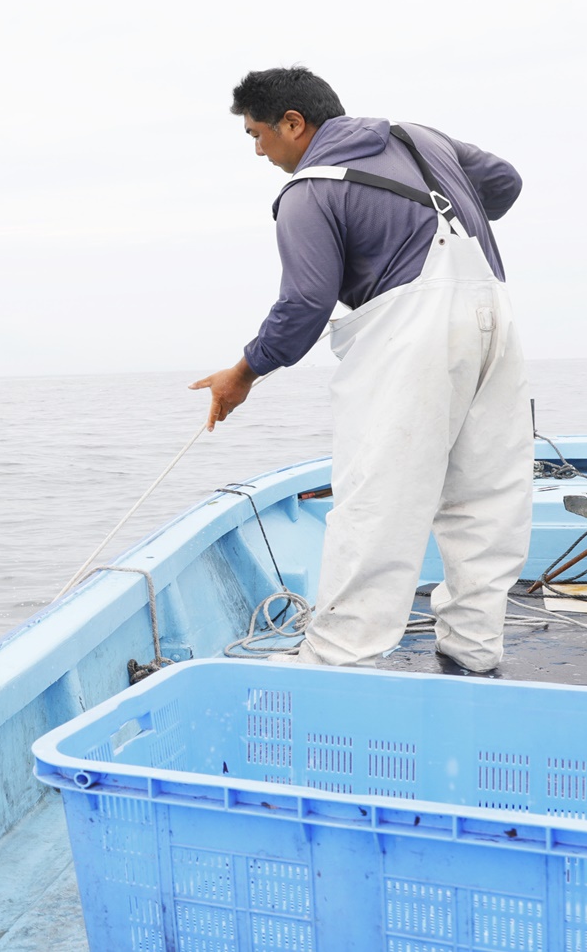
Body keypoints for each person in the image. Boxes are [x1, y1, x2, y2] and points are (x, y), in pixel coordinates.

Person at [189, 67, 530, 673]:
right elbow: (504, 182)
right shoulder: (420, 137)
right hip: (494, 318)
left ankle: (339, 660)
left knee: (379, 495)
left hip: (411, 333)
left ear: (294, 124)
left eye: (257, 136)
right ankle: (473, 650)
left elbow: (304, 304)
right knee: (486, 493)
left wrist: (243, 372)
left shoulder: (308, 191)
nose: (260, 152)